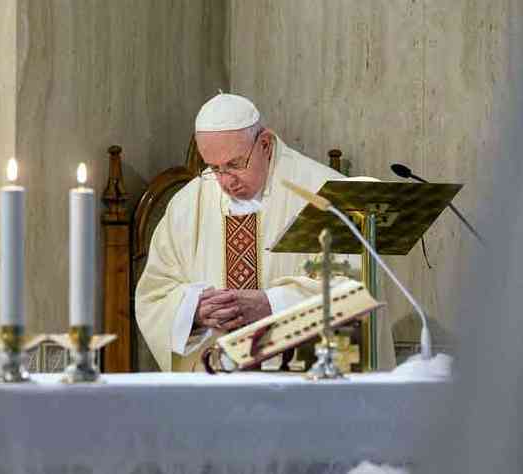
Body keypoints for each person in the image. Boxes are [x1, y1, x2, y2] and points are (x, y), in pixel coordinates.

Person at [135, 93, 395, 371]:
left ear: (265, 144)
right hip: (216, 386)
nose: (225, 182)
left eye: (235, 164)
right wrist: (192, 312)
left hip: (301, 388)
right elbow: (154, 295)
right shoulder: (188, 204)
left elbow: (357, 285)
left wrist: (273, 304)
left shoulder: (324, 191)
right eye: (214, 168)